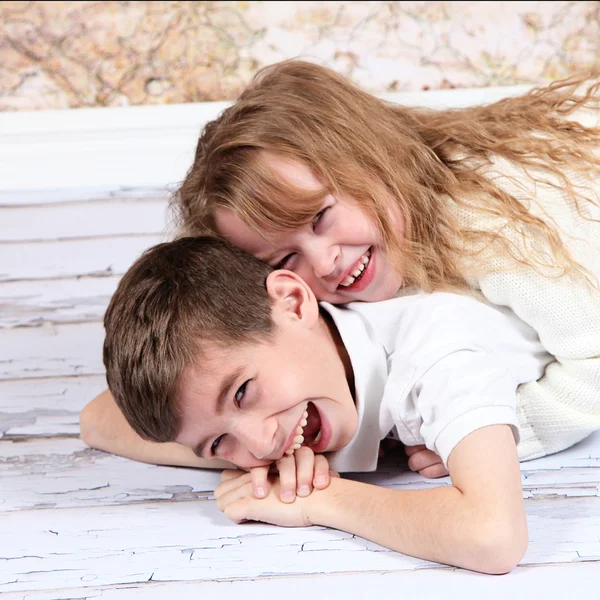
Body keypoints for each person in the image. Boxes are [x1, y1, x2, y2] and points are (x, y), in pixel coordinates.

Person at [170, 59, 600, 473]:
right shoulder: (358, 307)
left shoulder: (487, 222)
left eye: (320, 217)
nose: (324, 262)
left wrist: (510, 430)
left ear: (373, 157)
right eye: (285, 259)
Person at [92, 235, 557, 574]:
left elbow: (493, 536)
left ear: (294, 303)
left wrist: (319, 498)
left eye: (242, 392)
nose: (261, 443)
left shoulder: (436, 355)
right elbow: (96, 418)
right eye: (218, 443)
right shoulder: (312, 368)